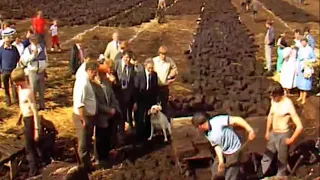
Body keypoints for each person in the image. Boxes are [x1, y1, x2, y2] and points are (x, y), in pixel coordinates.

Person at [191, 112, 256, 180]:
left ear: (199, 126)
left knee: (230, 175)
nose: (197, 130)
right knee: (215, 170)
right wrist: (221, 161)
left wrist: (250, 130)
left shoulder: (217, 121)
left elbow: (237, 119)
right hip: (224, 151)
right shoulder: (207, 133)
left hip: (234, 150)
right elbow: (217, 146)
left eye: (197, 127)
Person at [260, 82, 303, 177]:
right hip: (273, 133)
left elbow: (299, 126)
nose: (272, 98)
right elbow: (270, 116)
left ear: (280, 94)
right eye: (271, 96)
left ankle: (280, 177)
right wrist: (267, 131)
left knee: (281, 160)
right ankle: (262, 174)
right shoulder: (273, 101)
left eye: (274, 96)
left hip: (283, 135)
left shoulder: (288, 105)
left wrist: (291, 139)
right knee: (267, 155)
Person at [11, 68, 41, 177]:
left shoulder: (29, 91)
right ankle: (39, 161)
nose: (14, 84)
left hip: (30, 120)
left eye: (15, 81)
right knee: (31, 145)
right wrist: (19, 117)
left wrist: (37, 129)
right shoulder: (20, 89)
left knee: (29, 146)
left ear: (20, 80)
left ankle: (33, 171)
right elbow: (22, 105)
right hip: (25, 118)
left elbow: (35, 110)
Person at [91, 67, 120, 169]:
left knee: (108, 136)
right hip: (101, 115)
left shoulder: (106, 83)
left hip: (110, 114)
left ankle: (107, 156)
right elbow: (96, 103)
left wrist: (114, 108)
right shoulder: (92, 85)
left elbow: (112, 96)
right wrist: (108, 110)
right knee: (100, 137)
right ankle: (100, 159)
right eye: (103, 74)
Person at [72, 60, 99, 172]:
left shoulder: (86, 80)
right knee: (83, 144)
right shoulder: (82, 83)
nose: (96, 75)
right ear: (89, 71)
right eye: (94, 72)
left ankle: (87, 165)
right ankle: (84, 168)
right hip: (82, 117)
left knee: (87, 141)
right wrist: (83, 119)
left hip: (87, 116)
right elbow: (79, 103)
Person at [21, 35, 48, 110]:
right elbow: (25, 61)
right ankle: (34, 106)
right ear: (30, 41)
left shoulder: (42, 47)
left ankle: (42, 106)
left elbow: (46, 57)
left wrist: (45, 65)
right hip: (33, 71)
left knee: (41, 90)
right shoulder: (27, 49)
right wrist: (33, 55)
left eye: (36, 40)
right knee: (33, 90)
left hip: (41, 71)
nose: (35, 42)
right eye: (33, 40)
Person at [134, 58, 159, 141]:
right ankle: (139, 135)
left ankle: (148, 134)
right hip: (141, 99)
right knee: (140, 117)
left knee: (149, 117)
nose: (150, 70)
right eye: (149, 68)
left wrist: (157, 102)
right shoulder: (139, 74)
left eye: (152, 68)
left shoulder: (154, 75)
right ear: (145, 66)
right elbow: (136, 89)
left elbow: (155, 88)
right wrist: (135, 102)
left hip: (150, 99)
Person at [113, 50, 137, 136]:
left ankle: (124, 132)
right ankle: (119, 132)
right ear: (122, 56)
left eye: (129, 58)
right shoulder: (116, 64)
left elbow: (132, 82)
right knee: (119, 114)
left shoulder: (131, 67)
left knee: (126, 113)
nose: (127, 59)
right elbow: (112, 74)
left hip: (127, 94)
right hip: (118, 93)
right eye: (126, 57)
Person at [152, 46, 178, 119]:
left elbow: (175, 69)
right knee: (155, 104)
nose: (163, 56)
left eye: (165, 54)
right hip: (155, 86)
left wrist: (171, 76)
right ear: (159, 54)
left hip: (164, 86)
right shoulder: (154, 61)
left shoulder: (169, 61)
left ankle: (164, 119)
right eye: (162, 54)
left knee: (164, 104)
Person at [0, 35, 20, 106]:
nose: (7, 43)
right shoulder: (1, 49)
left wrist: (17, 68)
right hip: (4, 71)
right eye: (6, 41)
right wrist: (1, 70)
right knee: (6, 87)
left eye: (9, 41)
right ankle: (8, 101)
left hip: (13, 71)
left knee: (14, 86)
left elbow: (18, 58)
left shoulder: (14, 49)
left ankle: (16, 100)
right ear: (4, 41)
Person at [296, 37, 316, 104]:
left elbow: (314, 58)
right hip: (300, 66)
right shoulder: (300, 49)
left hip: (306, 67)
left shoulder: (310, 49)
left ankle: (304, 98)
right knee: (300, 82)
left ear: (306, 42)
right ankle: (301, 96)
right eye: (301, 42)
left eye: (303, 42)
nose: (302, 43)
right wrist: (296, 67)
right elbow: (298, 58)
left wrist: (307, 61)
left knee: (305, 83)